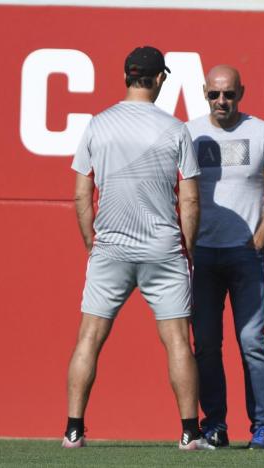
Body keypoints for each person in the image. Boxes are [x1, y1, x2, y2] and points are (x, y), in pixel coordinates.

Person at [63, 45, 213, 451]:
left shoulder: (97, 124)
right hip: (163, 249)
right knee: (178, 341)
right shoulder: (176, 128)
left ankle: (73, 430)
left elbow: (81, 194)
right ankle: (189, 433)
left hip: (110, 247)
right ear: (160, 78)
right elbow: (191, 200)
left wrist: (91, 241)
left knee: (89, 337)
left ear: (126, 76)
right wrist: (189, 249)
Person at [186, 65, 264, 449]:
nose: (221, 102)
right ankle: (214, 424)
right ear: (204, 93)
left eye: (228, 94)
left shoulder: (263, 132)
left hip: (246, 256)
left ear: (241, 93)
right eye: (214, 95)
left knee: (252, 341)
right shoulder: (189, 133)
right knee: (207, 343)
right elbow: (177, 192)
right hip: (203, 256)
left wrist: (258, 240)